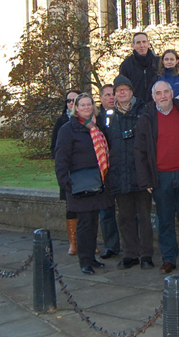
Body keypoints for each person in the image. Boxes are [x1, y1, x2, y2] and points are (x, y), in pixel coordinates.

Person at [135, 81, 179, 274]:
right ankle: (169, 258)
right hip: (160, 176)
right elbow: (139, 151)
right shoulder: (146, 118)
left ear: (172, 93)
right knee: (165, 220)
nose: (163, 96)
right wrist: (146, 179)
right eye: (159, 93)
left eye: (166, 92)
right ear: (153, 96)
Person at [54, 93, 113, 274]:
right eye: (83, 105)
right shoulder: (67, 129)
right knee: (84, 223)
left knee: (93, 221)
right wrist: (65, 182)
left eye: (89, 104)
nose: (87, 107)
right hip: (79, 184)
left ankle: (92, 258)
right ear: (76, 108)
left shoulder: (96, 126)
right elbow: (61, 157)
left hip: (96, 182)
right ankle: (84, 261)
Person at [103, 76, 154, 270]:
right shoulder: (109, 117)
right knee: (125, 217)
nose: (122, 93)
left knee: (144, 217)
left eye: (125, 89)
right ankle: (130, 254)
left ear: (132, 92)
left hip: (141, 174)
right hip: (119, 174)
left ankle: (146, 255)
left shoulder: (144, 111)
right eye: (118, 90)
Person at [51, 89, 80, 255]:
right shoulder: (61, 122)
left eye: (74, 100)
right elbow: (53, 148)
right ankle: (73, 242)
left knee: (89, 208)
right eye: (68, 101)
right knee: (71, 207)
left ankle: (89, 242)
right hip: (68, 172)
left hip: (85, 172)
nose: (71, 103)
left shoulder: (90, 120)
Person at [97, 84, 121, 260]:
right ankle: (111, 246)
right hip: (104, 171)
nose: (111, 97)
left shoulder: (122, 114)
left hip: (121, 168)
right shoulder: (95, 119)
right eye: (107, 95)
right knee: (106, 211)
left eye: (113, 94)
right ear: (101, 98)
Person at [119, 32, 159, 104]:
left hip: (157, 104)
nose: (142, 45)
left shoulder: (158, 62)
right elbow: (122, 87)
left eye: (144, 42)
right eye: (138, 43)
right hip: (135, 106)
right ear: (133, 46)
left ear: (148, 44)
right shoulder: (126, 65)